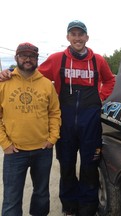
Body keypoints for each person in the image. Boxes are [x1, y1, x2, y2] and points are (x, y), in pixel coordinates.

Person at [0, 20, 116, 216]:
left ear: (87, 37)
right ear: (68, 38)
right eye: (74, 34)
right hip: (67, 121)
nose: (77, 38)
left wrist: (101, 97)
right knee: (67, 166)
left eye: (81, 34)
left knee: (90, 166)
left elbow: (110, 79)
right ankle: (70, 207)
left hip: (90, 122)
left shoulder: (98, 60)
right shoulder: (56, 59)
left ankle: (88, 207)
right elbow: (32, 74)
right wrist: (9, 74)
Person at [0, 42, 61, 216]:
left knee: (41, 195)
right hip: (15, 152)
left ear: (36, 59)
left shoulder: (46, 84)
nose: (28, 59)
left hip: (42, 150)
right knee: (12, 200)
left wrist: (52, 139)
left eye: (32, 56)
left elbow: (55, 113)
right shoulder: (4, 82)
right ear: (16, 58)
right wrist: (4, 143)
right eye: (24, 55)